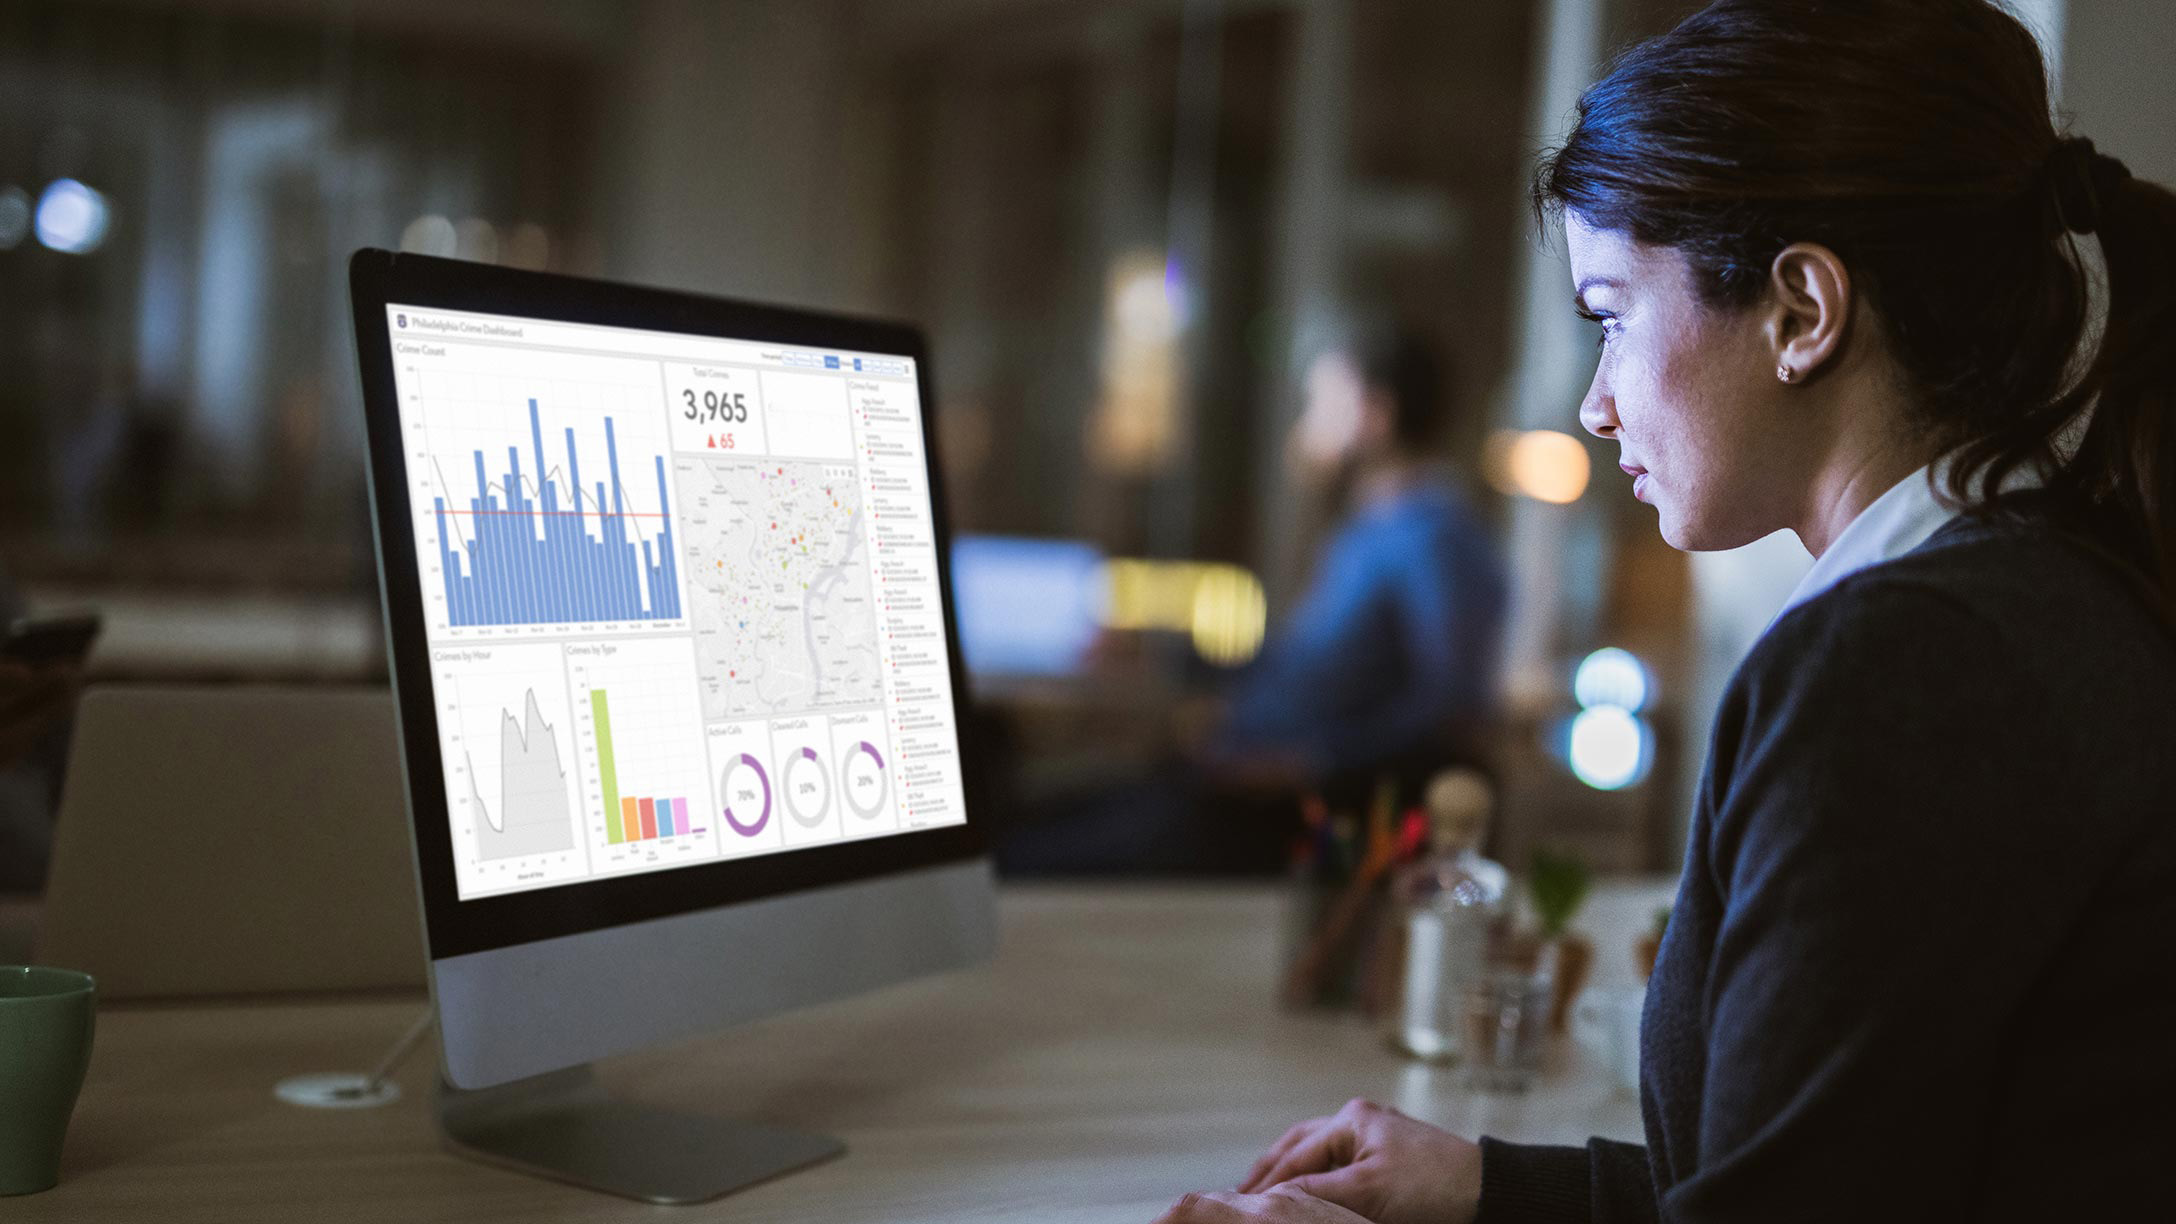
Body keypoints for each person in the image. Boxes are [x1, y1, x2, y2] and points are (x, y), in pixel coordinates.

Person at [1155, 0, 2176, 1219]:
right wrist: (1488, 1187)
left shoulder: (1907, 664)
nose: (1593, 406)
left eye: (1611, 314)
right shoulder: (2037, 583)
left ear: (1802, 312)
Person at [1202, 322, 1508, 794]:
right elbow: (1311, 670)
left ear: (1377, 414)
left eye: (1322, 404)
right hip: (1237, 767)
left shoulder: (1435, 538)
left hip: (1302, 807)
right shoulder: (1363, 530)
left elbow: (1453, 711)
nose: (1307, 425)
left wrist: (1309, 765)